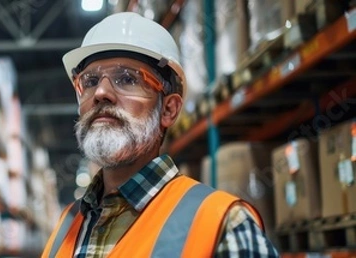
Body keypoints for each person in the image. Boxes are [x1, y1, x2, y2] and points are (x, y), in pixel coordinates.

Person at [41, 12, 279, 258]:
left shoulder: (224, 225)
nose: (101, 92)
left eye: (126, 79)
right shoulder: (65, 226)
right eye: (89, 82)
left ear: (168, 109)